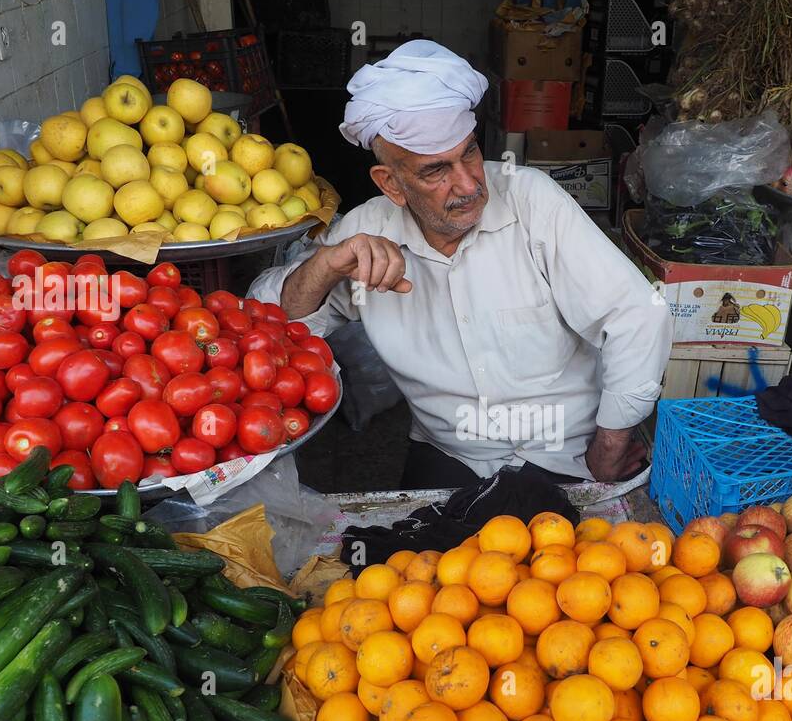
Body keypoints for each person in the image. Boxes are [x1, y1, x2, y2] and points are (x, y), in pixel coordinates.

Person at [249, 40, 672, 488]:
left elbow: (637, 314)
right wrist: (328, 264)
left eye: (469, 152)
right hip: (452, 454)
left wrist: (609, 449)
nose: (470, 184)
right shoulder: (365, 232)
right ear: (390, 184)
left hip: (569, 455)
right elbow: (269, 320)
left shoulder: (531, 201)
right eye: (436, 171)